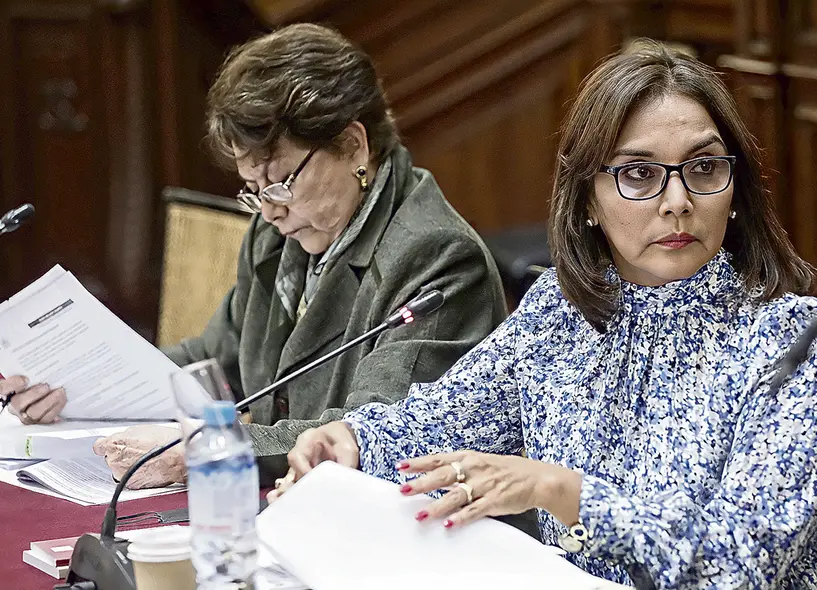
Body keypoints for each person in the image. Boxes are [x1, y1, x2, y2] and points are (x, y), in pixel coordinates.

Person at [270, 40, 817, 588]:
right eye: (639, 174)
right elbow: (444, 422)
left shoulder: (795, 338)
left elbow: (745, 560)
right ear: (586, 198)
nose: (679, 202)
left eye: (704, 167)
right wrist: (350, 440)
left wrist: (561, 490)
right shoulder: (559, 308)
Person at [0, 23, 506, 488]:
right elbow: (211, 364)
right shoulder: (278, 236)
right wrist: (73, 385)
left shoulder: (436, 257)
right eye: (253, 189)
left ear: (354, 146)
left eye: (281, 184)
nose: (269, 211)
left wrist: (205, 451)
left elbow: (369, 435)